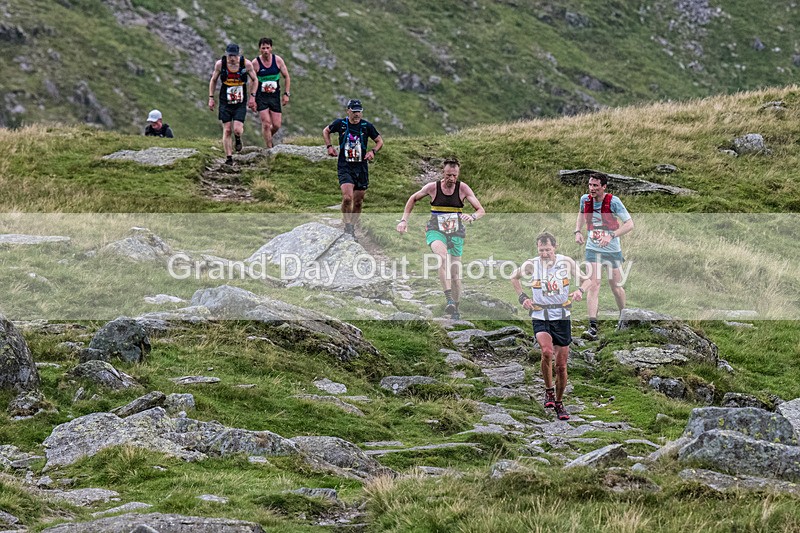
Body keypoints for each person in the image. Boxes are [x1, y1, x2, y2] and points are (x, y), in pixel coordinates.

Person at [511, 232, 588, 420]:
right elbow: (514, 277)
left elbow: (587, 280)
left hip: (562, 317)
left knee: (561, 366)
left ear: (555, 247)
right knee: (546, 352)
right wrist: (523, 298)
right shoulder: (532, 264)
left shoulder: (566, 262)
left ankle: (559, 403)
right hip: (540, 315)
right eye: (541, 250)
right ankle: (548, 390)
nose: (544, 253)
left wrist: (580, 291)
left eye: (547, 250)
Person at [396, 157, 485, 320]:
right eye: (448, 175)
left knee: (456, 276)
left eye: (455, 175)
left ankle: (455, 308)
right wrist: (403, 220)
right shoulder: (433, 188)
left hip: (456, 233)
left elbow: (480, 210)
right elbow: (413, 199)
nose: (451, 178)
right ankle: (448, 298)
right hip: (435, 230)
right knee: (442, 257)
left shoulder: (463, 188)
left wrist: (472, 217)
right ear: (443, 173)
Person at [574, 172, 634, 340]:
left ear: (604, 187)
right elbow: (581, 213)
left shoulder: (614, 202)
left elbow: (630, 224)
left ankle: (623, 317)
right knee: (594, 284)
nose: (592, 188)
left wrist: (611, 235)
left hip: (612, 250)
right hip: (592, 248)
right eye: (590, 185)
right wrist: (577, 231)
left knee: (616, 286)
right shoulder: (585, 200)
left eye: (595, 185)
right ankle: (592, 326)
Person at [323, 99, 383, 239]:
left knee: (358, 201)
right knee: (347, 198)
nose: (357, 114)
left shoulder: (366, 126)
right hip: (345, 166)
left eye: (359, 111)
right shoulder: (341, 124)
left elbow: (379, 141)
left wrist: (373, 151)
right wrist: (329, 147)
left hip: (361, 167)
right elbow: (326, 131)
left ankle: (353, 226)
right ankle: (347, 226)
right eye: (354, 111)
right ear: (348, 111)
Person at [208, 43, 258, 165]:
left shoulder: (246, 64)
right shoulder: (220, 64)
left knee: (237, 129)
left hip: (240, 100)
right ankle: (229, 158)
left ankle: (238, 138)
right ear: (226, 54)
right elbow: (213, 80)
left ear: (238, 55)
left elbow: (255, 79)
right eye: (230, 55)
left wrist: (252, 96)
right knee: (227, 130)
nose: (232, 58)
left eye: (234, 56)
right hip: (225, 99)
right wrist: (211, 98)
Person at [251, 37, 291, 148]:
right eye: (263, 48)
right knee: (266, 123)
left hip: (274, 96)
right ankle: (269, 148)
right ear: (259, 49)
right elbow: (252, 81)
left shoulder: (278, 60)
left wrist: (286, 94)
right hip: (261, 96)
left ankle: (268, 136)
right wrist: (252, 98)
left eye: (267, 48)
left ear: (271, 48)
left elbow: (287, 77)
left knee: (277, 125)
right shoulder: (255, 63)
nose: (265, 51)